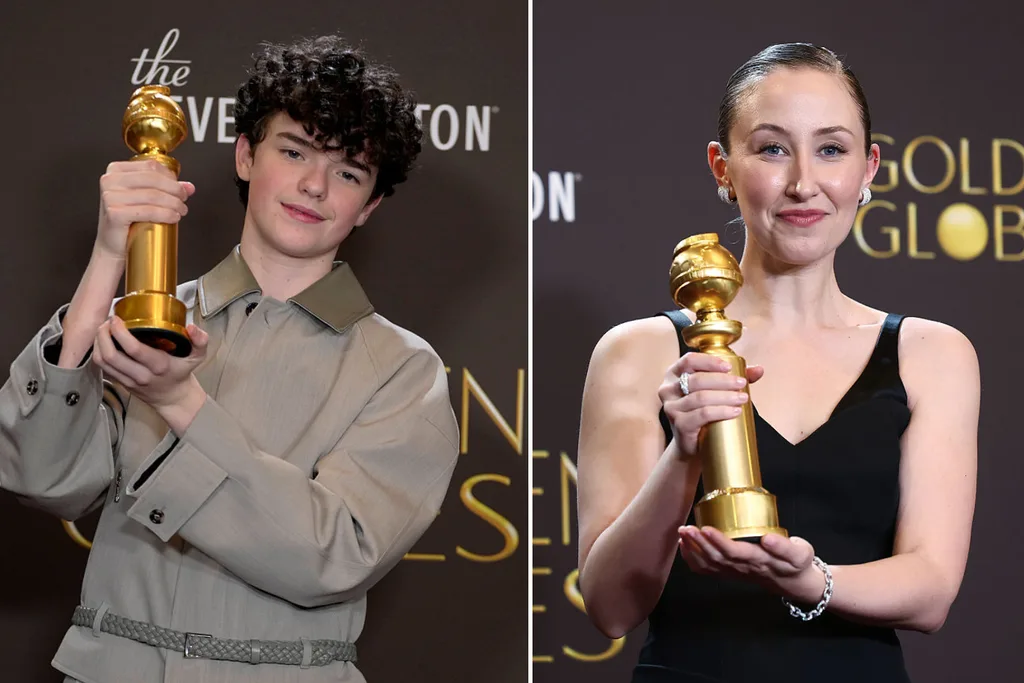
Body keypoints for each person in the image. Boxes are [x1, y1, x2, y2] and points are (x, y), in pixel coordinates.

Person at [0, 35, 459, 683]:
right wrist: (110, 256)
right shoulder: (150, 318)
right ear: (246, 155)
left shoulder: (403, 370)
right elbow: (42, 477)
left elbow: (333, 559)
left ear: (369, 206)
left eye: (349, 171)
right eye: (293, 150)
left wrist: (178, 401)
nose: (314, 185)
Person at [575, 43, 978, 682]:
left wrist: (810, 580)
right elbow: (611, 608)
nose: (802, 183)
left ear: (868, 167)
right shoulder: (639, 351)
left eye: (831, 149)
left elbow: (931, 590)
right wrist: (684, 455)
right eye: (770, 148)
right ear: (722, 167)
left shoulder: (931, 353)